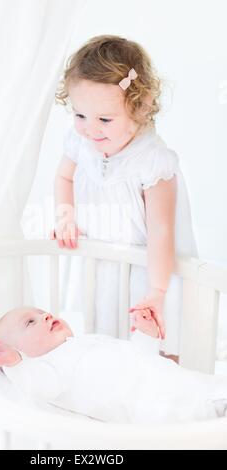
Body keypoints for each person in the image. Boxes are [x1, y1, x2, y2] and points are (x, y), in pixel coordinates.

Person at [51, 35, 198, 362]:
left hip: (150, 269)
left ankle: (167, 386)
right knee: (104, 337)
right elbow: (63, 177)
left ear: (141, 107)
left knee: (154, 345)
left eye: (104, 119)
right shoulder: (81, 145)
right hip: (104, 260)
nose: (90, 130)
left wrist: (157, 292)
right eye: (79, 115)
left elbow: (162, 231)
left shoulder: (153, 161)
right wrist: (66, 216)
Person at [0, 306, 227, 424]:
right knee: (199, 412)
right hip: (154, 406)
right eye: (30, 322)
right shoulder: (48, 368)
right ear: (19, 352)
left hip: (175, 378)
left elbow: (137, 356)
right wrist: (14, 364)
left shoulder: (85, 340)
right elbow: (36, 385)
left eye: (42, 311)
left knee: (208, 387)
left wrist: (146, 335)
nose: (46, 315)